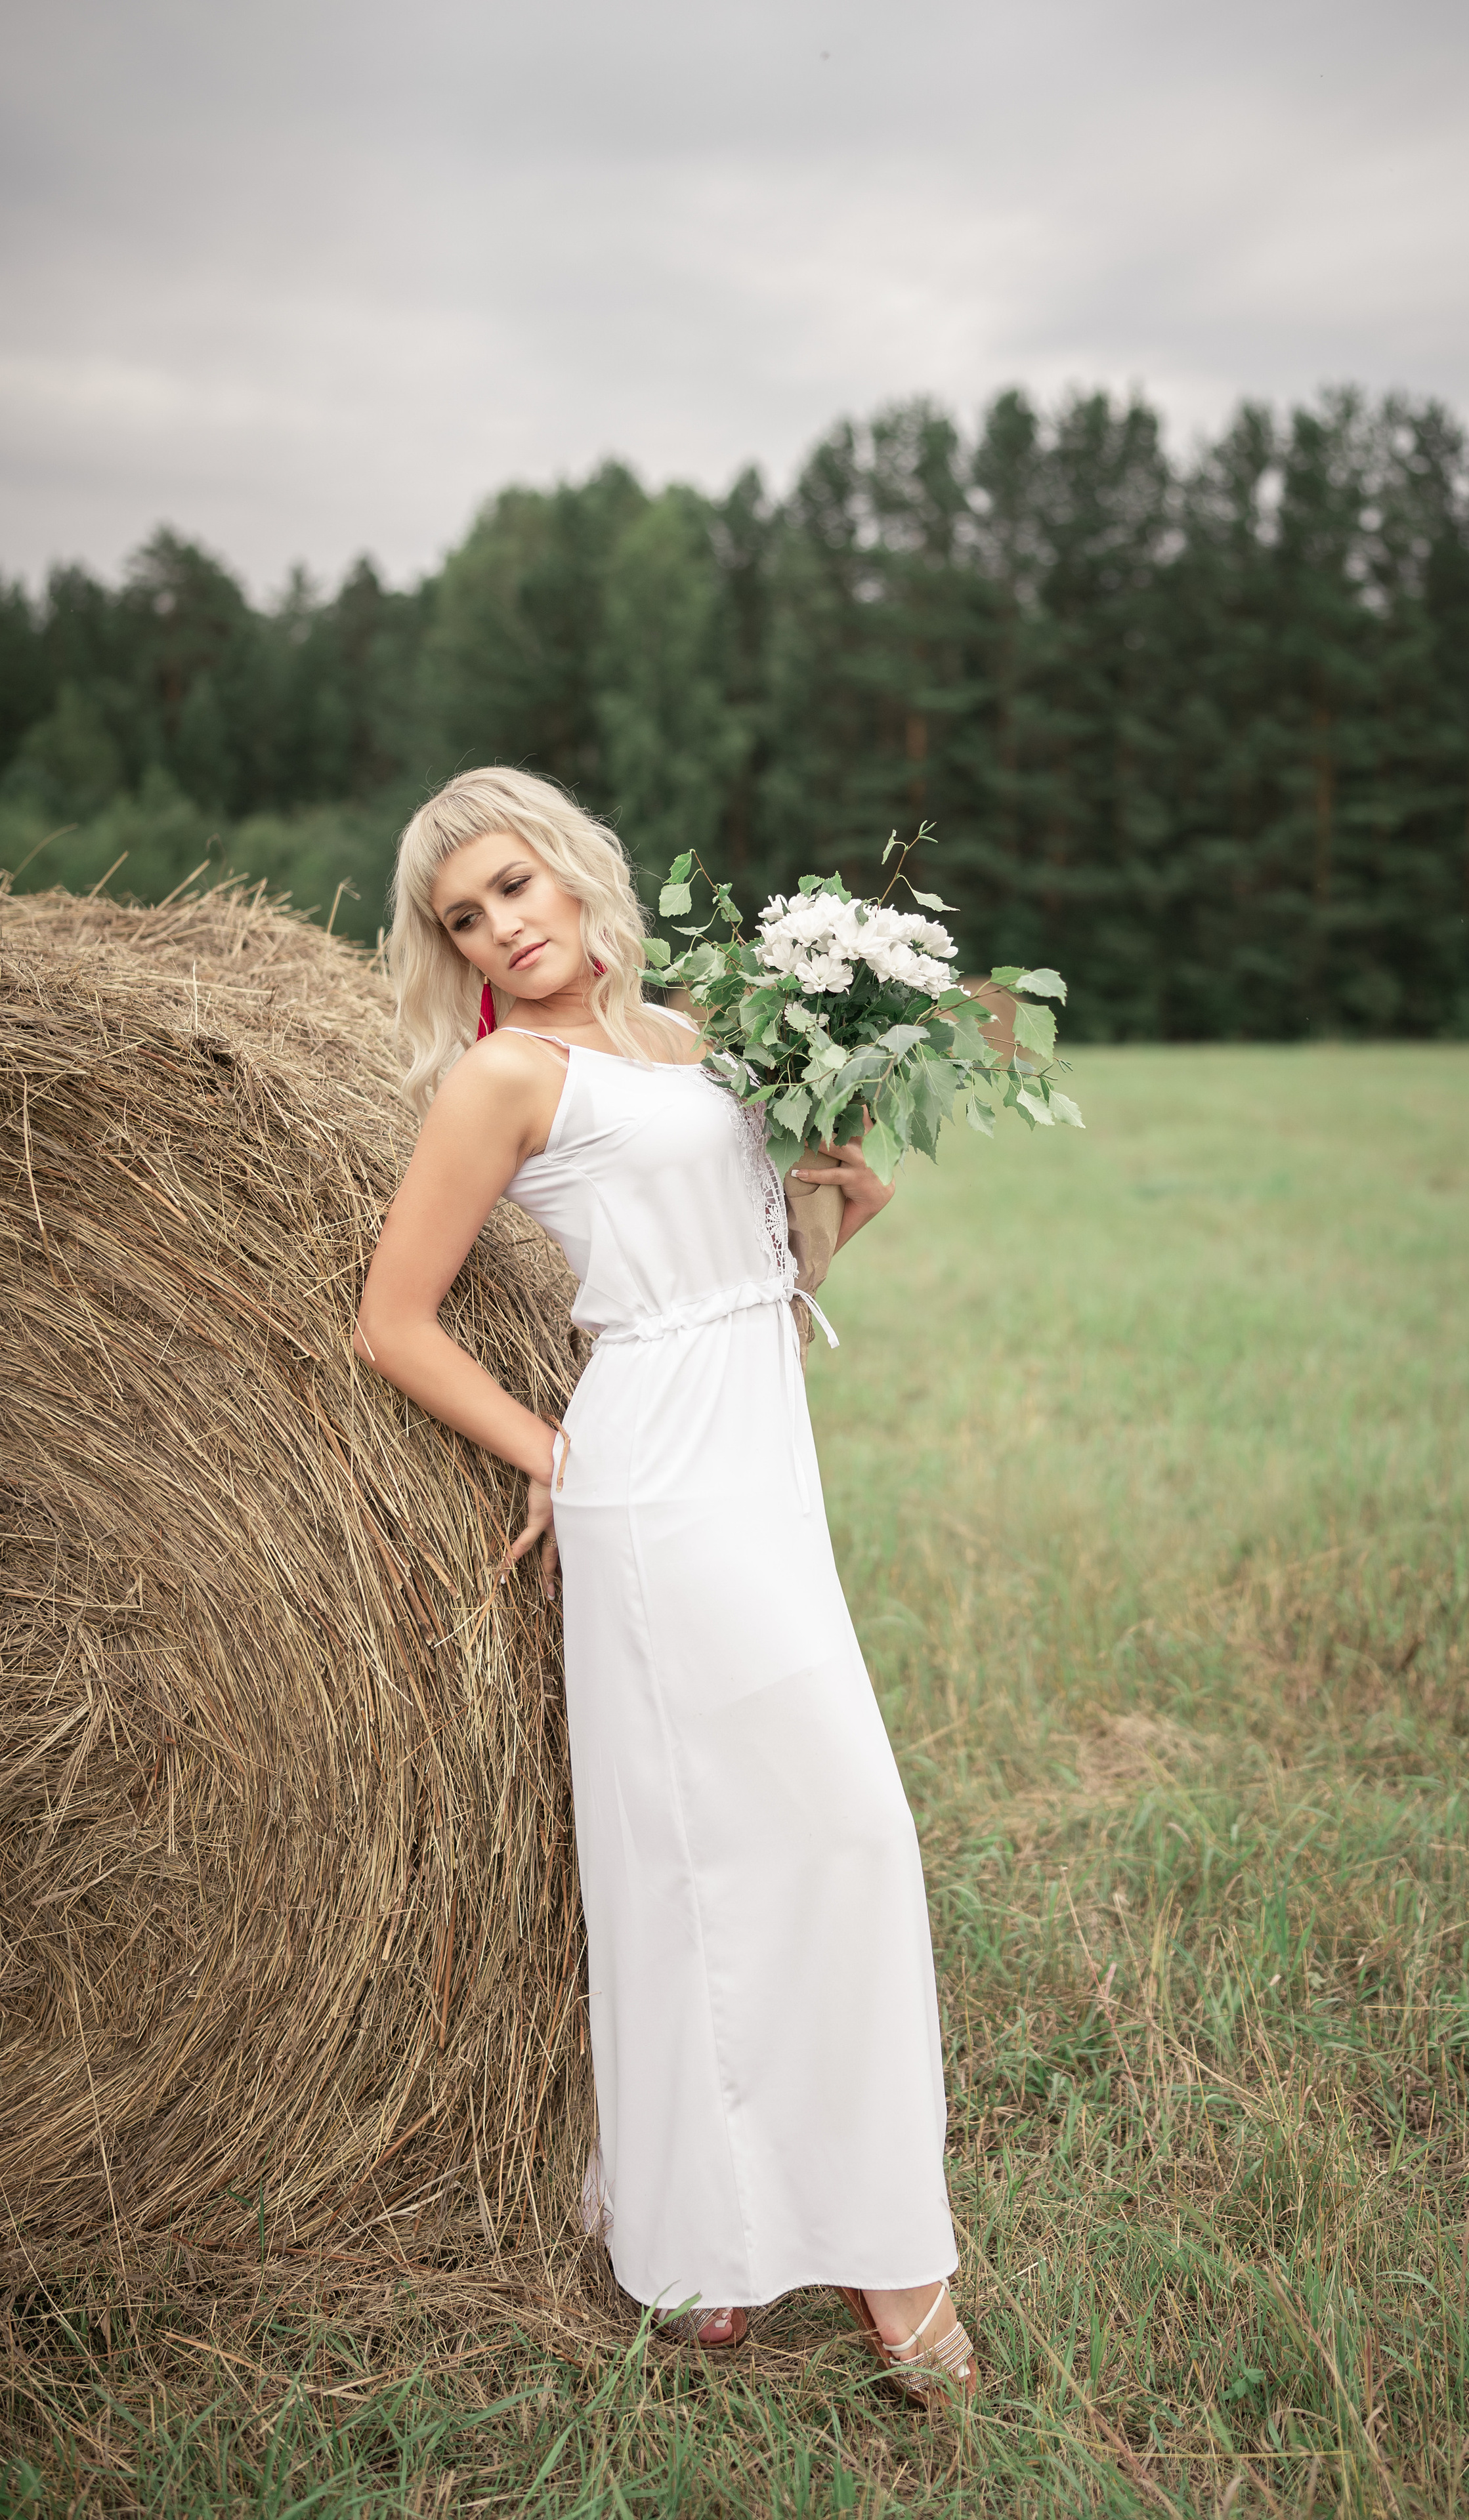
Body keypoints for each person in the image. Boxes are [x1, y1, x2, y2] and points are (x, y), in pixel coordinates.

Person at [355, 766, 977, 2404]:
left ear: (572, 873)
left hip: (759, 1446)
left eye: (513, 885)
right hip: (651, 1467)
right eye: (466, 915)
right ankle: (884, 2271)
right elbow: (392, 1323)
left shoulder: (703, 1037)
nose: (504, 925)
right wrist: (553, 1454)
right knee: (817, 1829)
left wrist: (834, 1213)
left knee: (740, 1848)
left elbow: (766, 1284)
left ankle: (713, 2239)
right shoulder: (504, 1073)